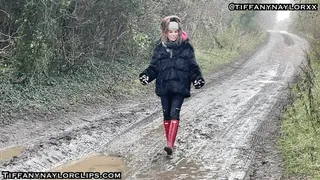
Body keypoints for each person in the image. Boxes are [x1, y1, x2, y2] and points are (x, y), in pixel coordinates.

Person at [139, 15, 205, 155]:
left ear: (179, 32)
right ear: (165, 32)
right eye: (171, 32)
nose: (174, 34)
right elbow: (154, 68)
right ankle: (169, 142)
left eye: (176, 32)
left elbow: (193, 67)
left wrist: (197, 79)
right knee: (166, 114)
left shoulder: (187, 47)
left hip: (180, 87)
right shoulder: (159, 48)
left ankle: (170, 145)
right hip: (164, 87)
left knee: (174, 112)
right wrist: (146, 76)